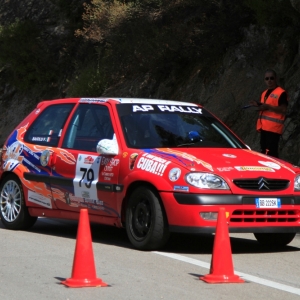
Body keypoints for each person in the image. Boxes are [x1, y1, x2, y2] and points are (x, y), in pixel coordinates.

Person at [250, 69, 288, 158]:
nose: (269, 80)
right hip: (264, 127)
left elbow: (283, 109)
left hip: (274, 129)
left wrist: (268, 107)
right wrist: (258, 105)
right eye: (267, 79)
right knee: (264, 153)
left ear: (275, 79)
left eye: (271, 78)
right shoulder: (264, 93)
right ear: (264, 80)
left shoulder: (281, 92)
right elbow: (266, 106)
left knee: (271, 154)